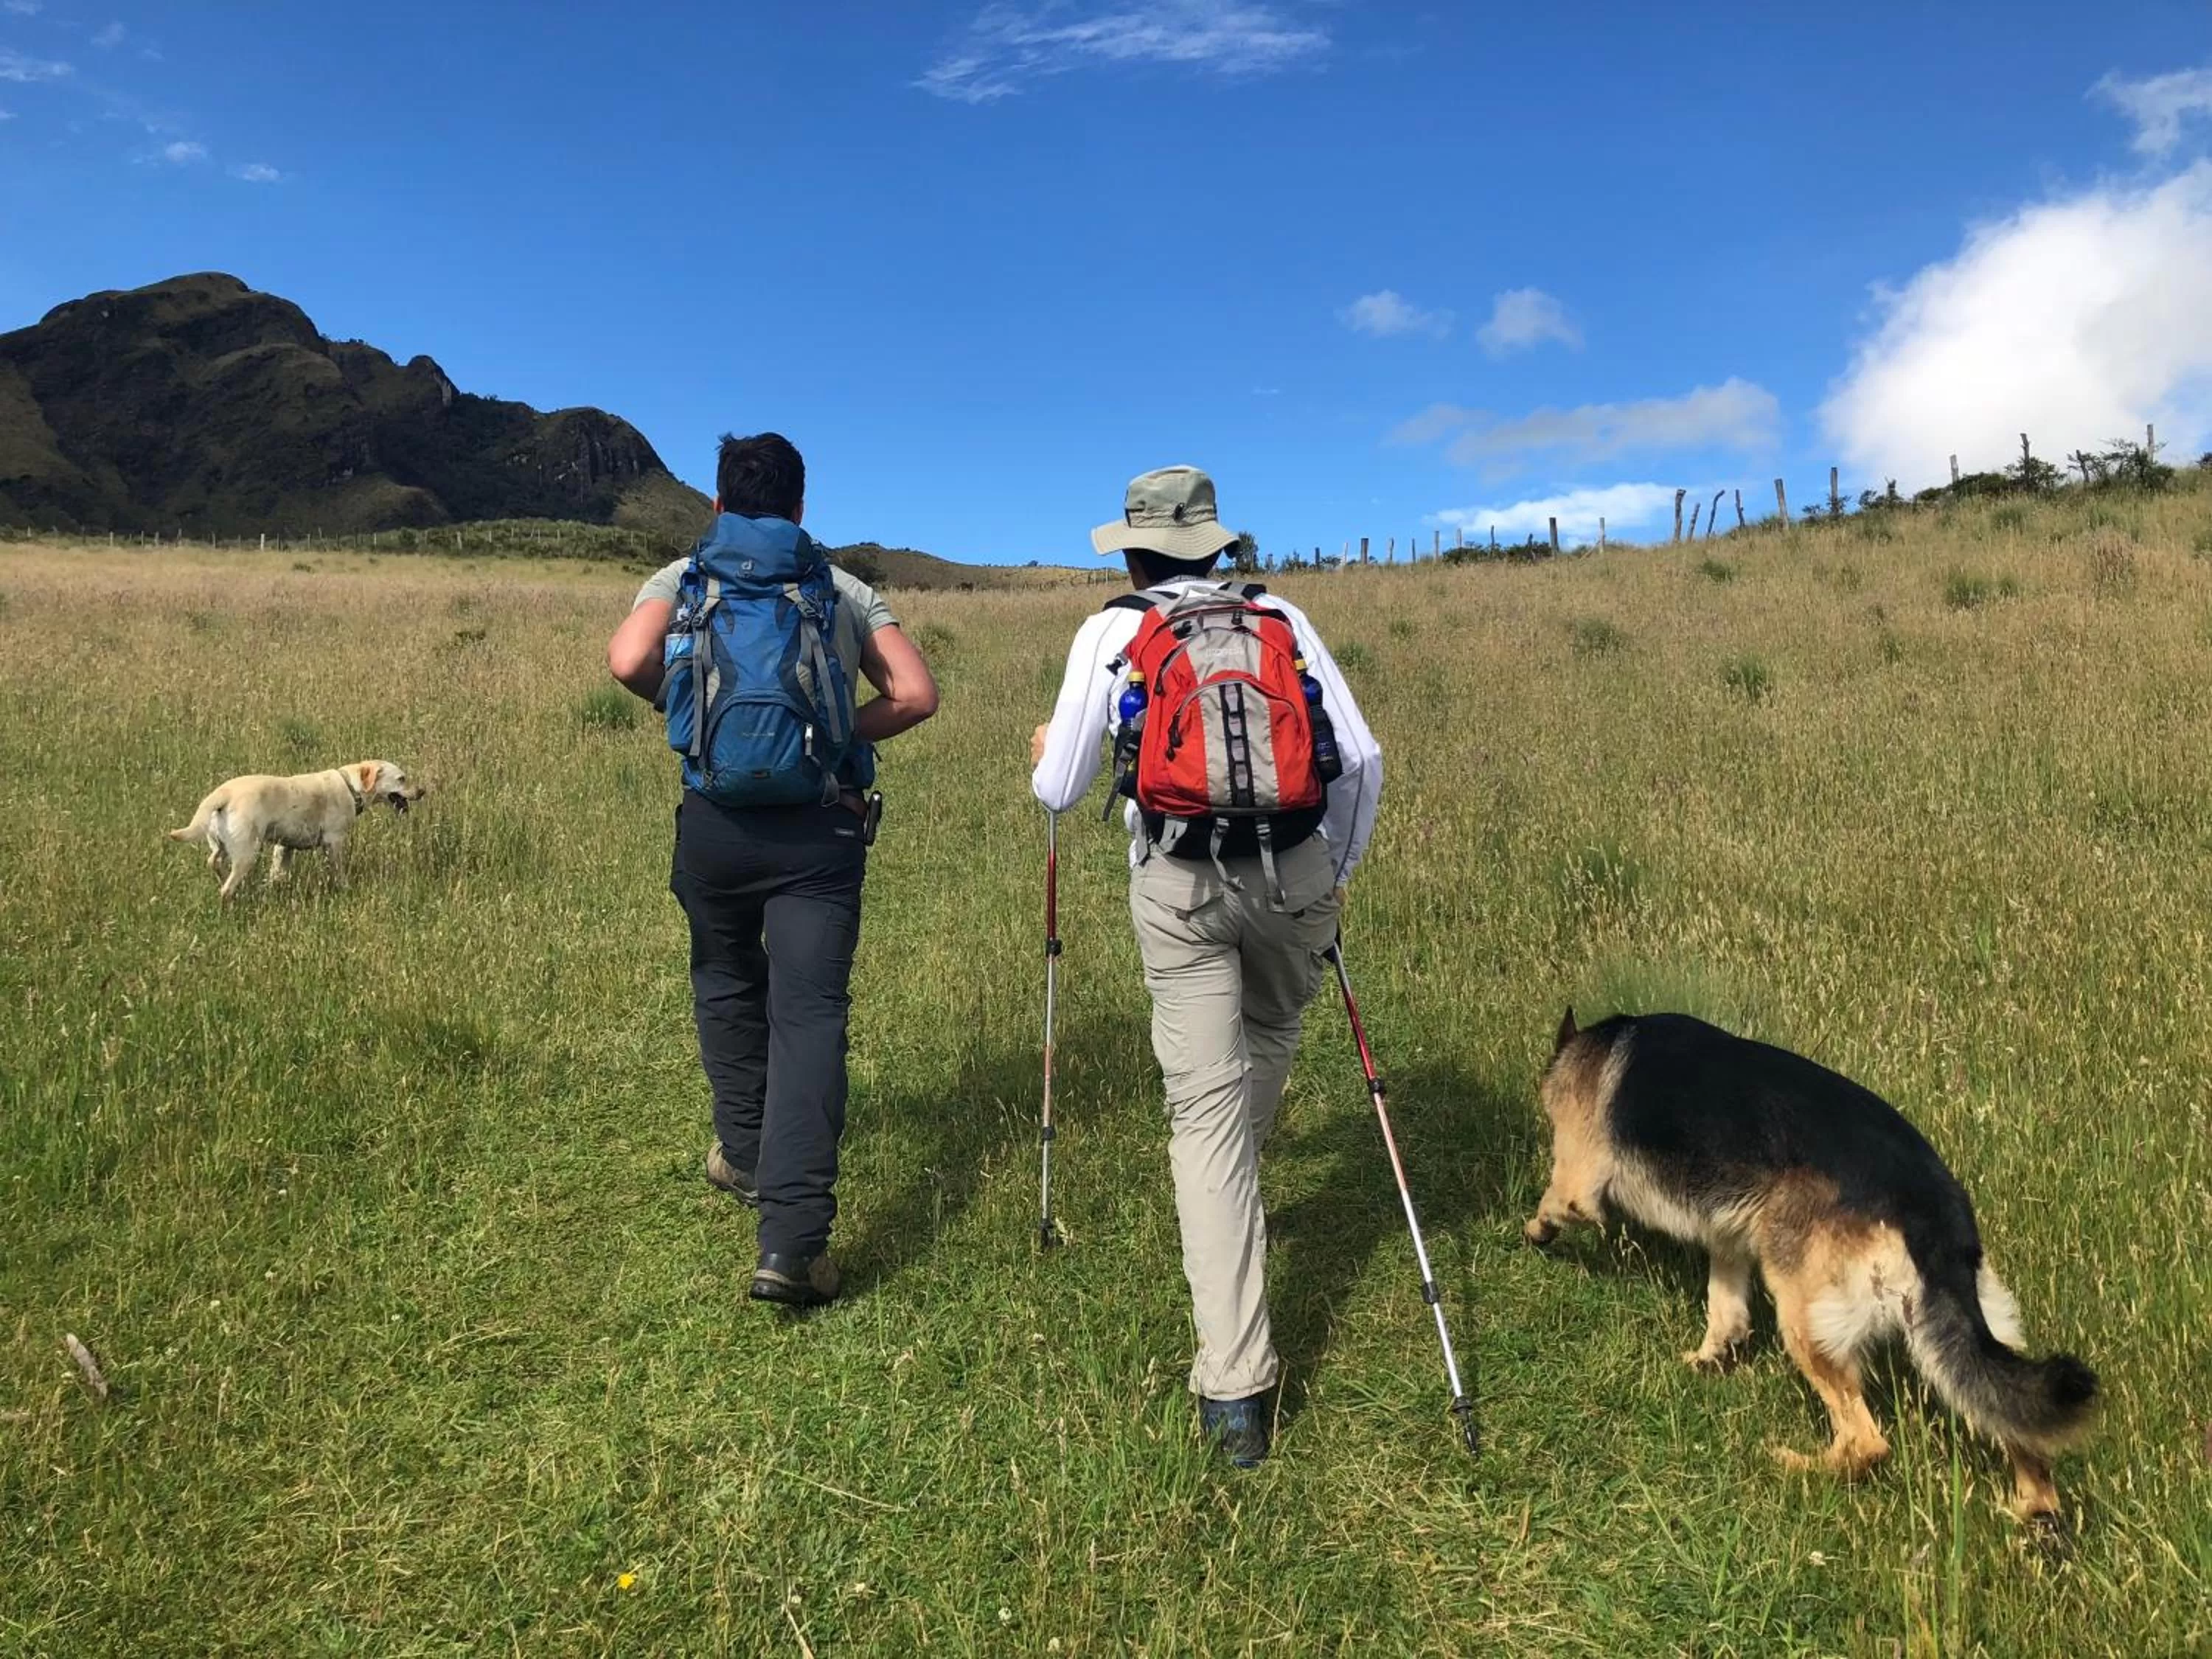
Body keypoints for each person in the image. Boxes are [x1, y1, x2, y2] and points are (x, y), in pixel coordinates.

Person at [1029, 465, 1381, 1466]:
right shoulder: (1285, 617)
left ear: (1136, 551)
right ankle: (1228, 1176)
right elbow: (1360, 758)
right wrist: (1328, 871)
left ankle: (1237, 1390)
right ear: (1219, 546)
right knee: (1270, 1034)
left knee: (1203, 1113)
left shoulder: (1110, 633)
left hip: (1179, 883)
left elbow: (1059, 792)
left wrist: (1048, 748)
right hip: (1295, 875)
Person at [607, 432, 939, 1308]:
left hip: (714, 823)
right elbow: (915, 694)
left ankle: (745, 1156)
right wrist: (831, 740)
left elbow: (626, 660)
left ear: (717, 504)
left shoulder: (682, 577)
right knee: (810, 1016)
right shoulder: (841, 587)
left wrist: (690, 719)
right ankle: (792, 1245)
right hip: (819, 834)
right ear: (800, 508)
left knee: (723, 979)